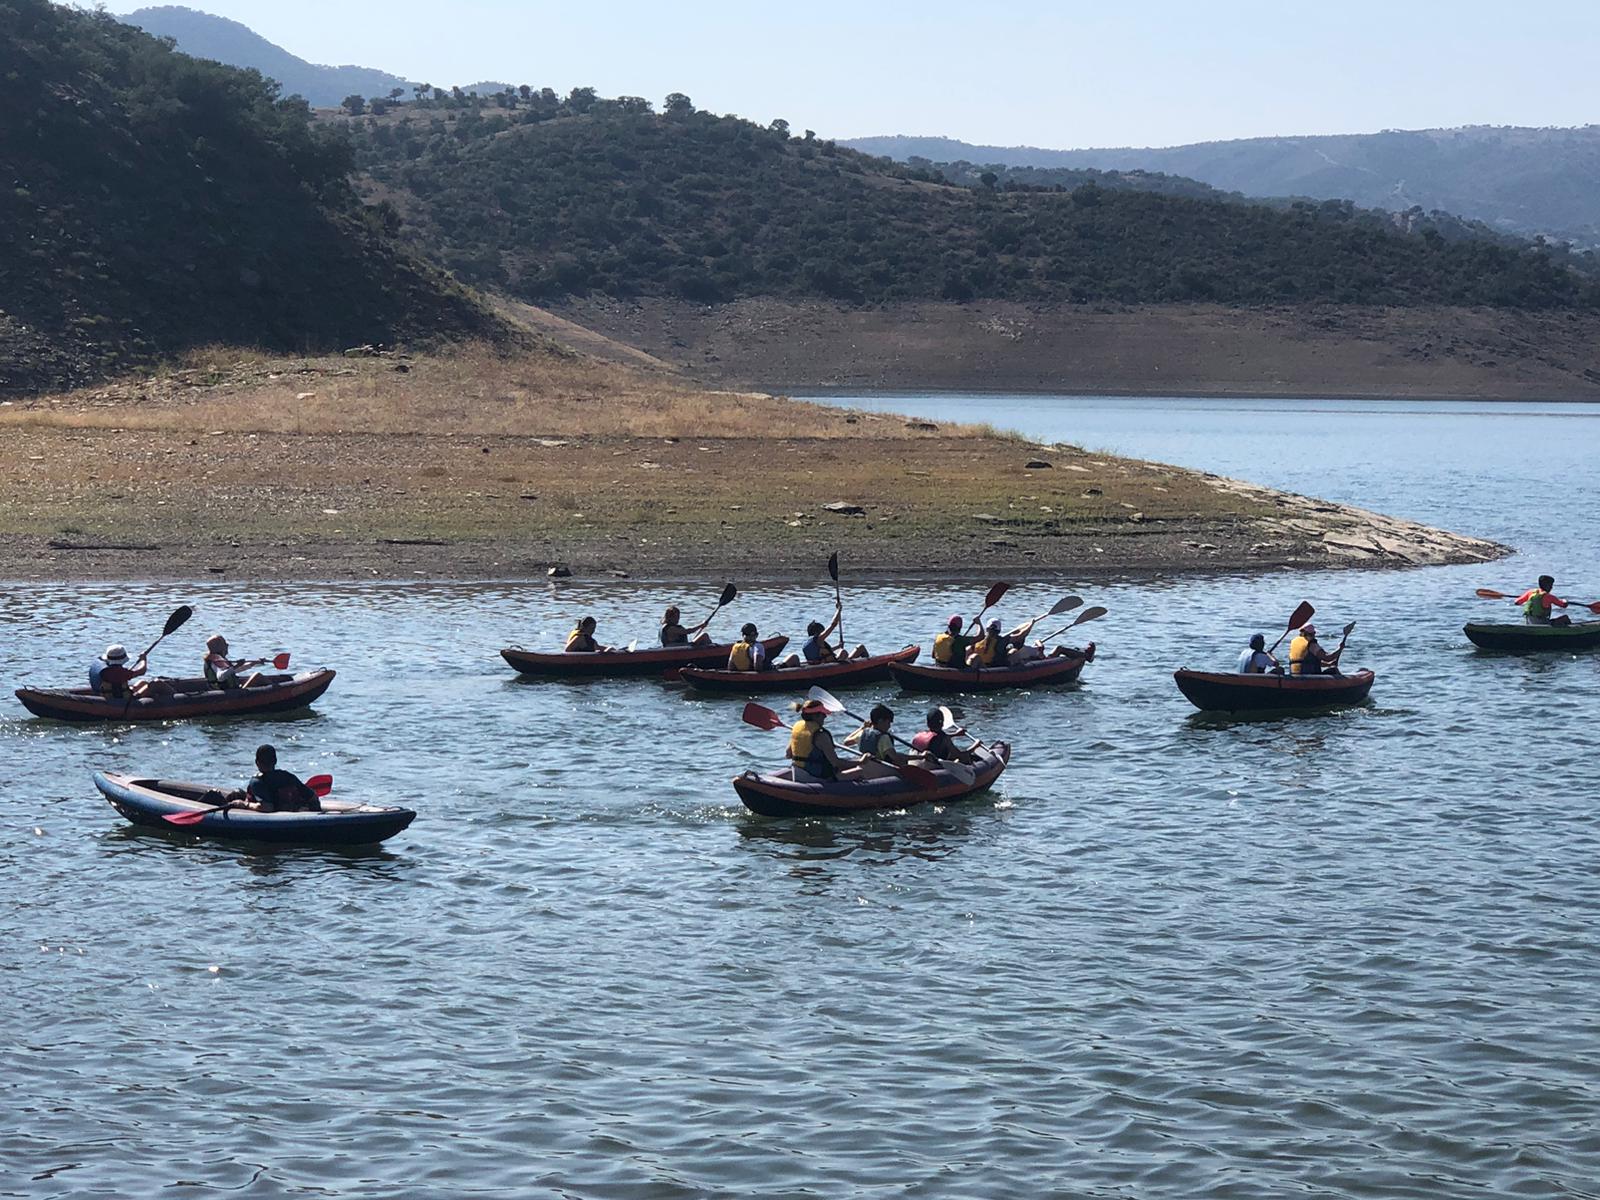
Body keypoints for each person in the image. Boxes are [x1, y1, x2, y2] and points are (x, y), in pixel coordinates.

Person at [778, 602, 868, 667]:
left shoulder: (809, 643)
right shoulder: (818, 639)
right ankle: (867, 666)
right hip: (831, 666)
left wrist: (837, 646)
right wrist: (839, 610)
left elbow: (821, 653)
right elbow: (833, 624)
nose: (823, 635)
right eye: (822, 632)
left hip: (820, 664)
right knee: (859, 648)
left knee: (841, 651)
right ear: (818, 632)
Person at [241, 744, 321, 813]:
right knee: (239, 793)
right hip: (290, 810)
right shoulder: (288, 776)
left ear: (257, 762)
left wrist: (244, 804)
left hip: (274, 816)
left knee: (237, 794)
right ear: (275, 761)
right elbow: (313, 797)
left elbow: (267, 807)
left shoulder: (257, 781)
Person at [787, 698, 848, 780]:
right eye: (823, 714)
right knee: (860, 771)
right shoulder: (821, 735)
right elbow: (836, 763)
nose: (825, 716)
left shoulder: (796, 727)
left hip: (798, 773)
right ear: (815, 716)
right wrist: (861, 761)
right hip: (818, 777)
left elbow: (788, 754)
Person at [841, 703, 907, 779]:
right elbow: (895, 758)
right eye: (888, 722)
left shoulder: (863, 732)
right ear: (881, 721)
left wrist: (862, 728)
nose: (889, 726)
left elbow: (846, 742)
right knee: (902, 766)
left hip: (864, 769)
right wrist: (919, 757)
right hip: (878, 771)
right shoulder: (884, 737)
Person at [910, 709, 976, 765]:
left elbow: (934, 740)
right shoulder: (944, 739)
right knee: (964, 759)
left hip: (917, 765)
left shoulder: (918, 735)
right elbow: (960, 755)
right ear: (942, 724)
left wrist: (955, 734)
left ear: (927, 723)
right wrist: (976, 745)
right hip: (934, 769)